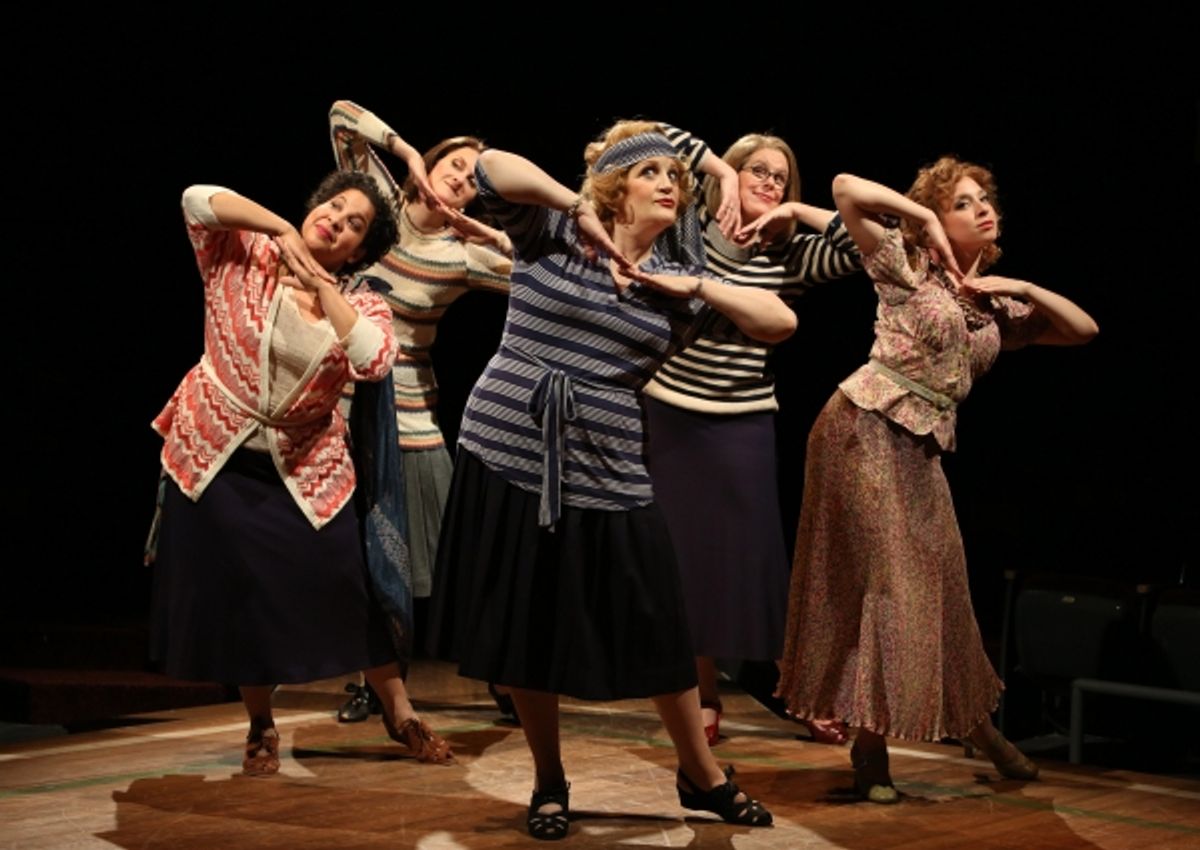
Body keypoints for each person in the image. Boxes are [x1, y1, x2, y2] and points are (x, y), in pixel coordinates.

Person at [429, 122, 794, 839]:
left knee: (660, 623)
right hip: (509, 451)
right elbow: (492, 165)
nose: (669, 183)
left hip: (611, 464)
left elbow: (778, 322)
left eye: (675, 177)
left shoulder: (673, 286)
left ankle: (700, 774)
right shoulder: (551, 235)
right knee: (527, 632)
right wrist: (577, 207)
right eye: (651, 172)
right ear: (616, 186)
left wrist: (693, 283)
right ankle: (548, 780)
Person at [775, 159, 1099, 802]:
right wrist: (920, 216)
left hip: (921, 452)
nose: (982, 209)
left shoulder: (995, 308)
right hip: (861, 430)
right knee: (887, 590)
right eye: (963, 203)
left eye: (986, 200)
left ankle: (980, 730)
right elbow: (843, 189)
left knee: (942, 595)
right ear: (938, 222)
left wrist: (1023, 286)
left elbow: (1084, 330)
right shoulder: (907, 266)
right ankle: (870, 754)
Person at [150, 170, 454, 775]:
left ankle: (400, 712)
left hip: (305, 467)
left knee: (356, 584)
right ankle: (261, 725)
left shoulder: (362, 303)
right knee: (241, 599)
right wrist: (280, 227)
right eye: (333, 208)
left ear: (359, 252)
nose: (336, 221)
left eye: (354, 225)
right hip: (217, 453)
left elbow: (374, 359)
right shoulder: (244, 252)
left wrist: (321, 285)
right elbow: (195, 199)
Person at [644, 129, 860, 747]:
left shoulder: (790, 252)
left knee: (754, 564)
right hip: (670, 416)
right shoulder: (685, 228)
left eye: (780, 178)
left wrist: (798, 212)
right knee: (683, 566)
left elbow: (871, 248)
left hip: (743, 419)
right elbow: (641, 140)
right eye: (756, 172)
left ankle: (793, 688)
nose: (768, 183)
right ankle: (703, 696)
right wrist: (717, 168)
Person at [327, 100, 514, 723]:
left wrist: (489, 234)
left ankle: (503, 676)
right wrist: (407, 154)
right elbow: (342, 117)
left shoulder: (464, 253)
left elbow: (540, 271)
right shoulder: (375, 206)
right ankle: (376, 682)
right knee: (362, 558)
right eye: (454, 164)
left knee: (454, 564)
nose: (461, 177)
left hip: (411, 419)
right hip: (338, 412)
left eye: (474, 176)